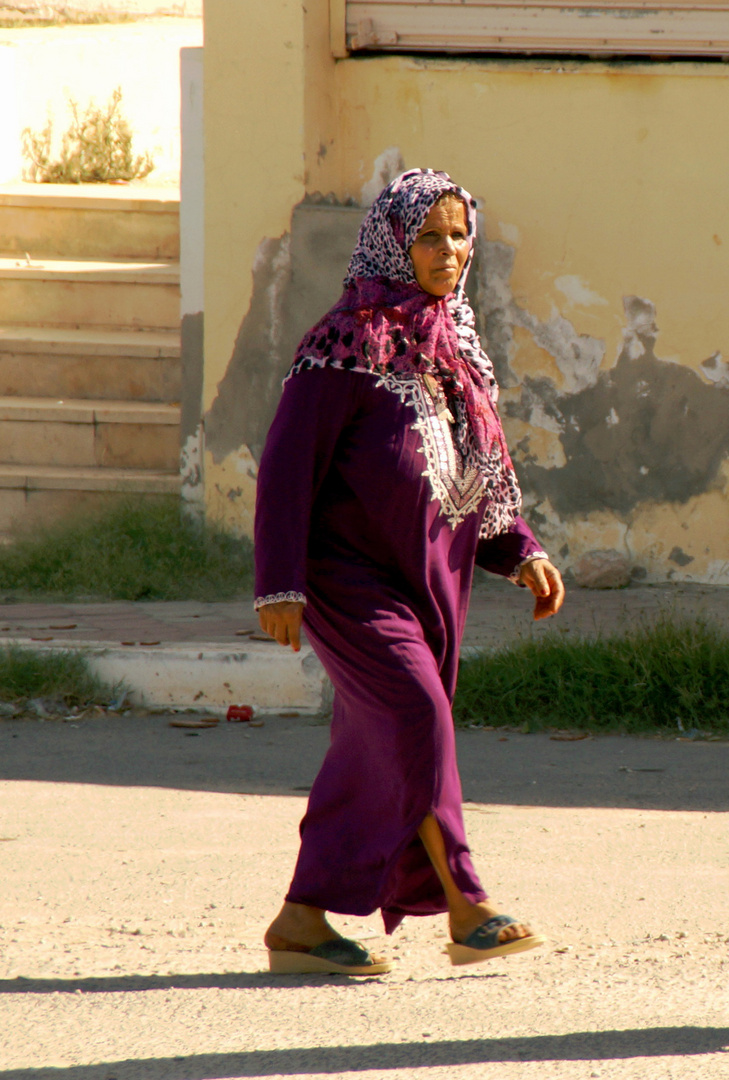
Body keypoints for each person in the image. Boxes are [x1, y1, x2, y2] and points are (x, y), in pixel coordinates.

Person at [253, 168, 565, 976]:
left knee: (377, 747)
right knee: (419, 718)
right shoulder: (345, 341)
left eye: (460, 234)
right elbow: (288, 466)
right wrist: (280, 580)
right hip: (346, 583)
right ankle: (469, 905)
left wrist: (520, 549)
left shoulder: (455, 345)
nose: (450, 251)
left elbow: (476, 473)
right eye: (429, 235)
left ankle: (301, 918)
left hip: (429, 585)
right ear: (394, 240)